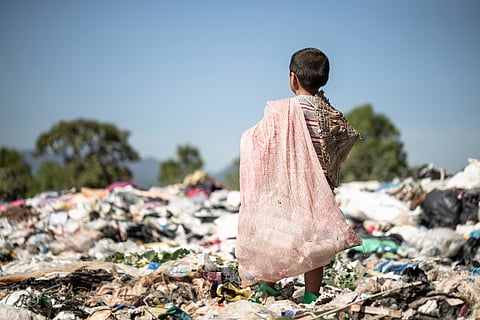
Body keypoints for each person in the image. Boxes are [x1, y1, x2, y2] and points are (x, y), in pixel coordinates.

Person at [236, 48, 361, 304]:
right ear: (324, 80)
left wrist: (245, 138)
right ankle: (311, 295)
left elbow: (260, 140)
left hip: (286, 188)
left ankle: (268, 286)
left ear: (293, 79)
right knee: (315, 244)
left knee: (275, 234)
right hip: (318, 191)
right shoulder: (329, 114)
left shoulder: (282, 111)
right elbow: (343, 139)